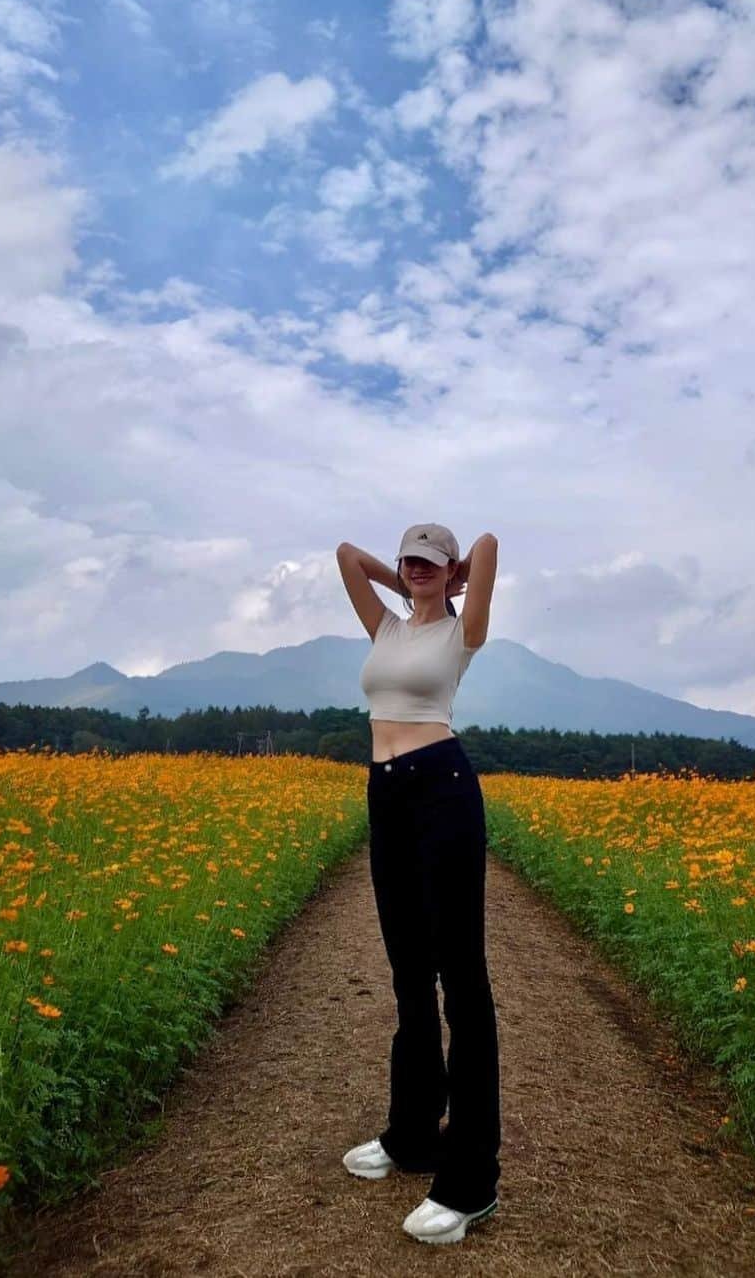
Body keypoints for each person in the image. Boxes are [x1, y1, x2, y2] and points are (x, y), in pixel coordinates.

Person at [335, 524, 501, 1246]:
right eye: (409, 560)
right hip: (386, 793)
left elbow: (492, 542)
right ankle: (412, 1136)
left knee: (462, 982)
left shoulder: (463, 634)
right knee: (408, 973)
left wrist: (455, 573)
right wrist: (401, 581)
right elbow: (346, 557)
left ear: (449, 569)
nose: (417, 570)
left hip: (443, 790)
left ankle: (470, 1182)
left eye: (431, 562)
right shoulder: (386, 625)